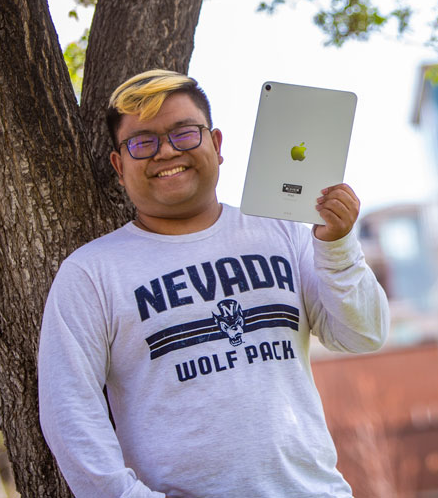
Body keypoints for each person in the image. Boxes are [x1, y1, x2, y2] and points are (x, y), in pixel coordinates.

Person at [38, 69, 389, 497]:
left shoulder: (283, 230)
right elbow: (68, 411)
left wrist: (336, 245)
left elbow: (364, 334)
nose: (165, 152)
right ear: (119, 164)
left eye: (184, 133)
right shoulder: (91, 273)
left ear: (216, 144)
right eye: (142, 142)